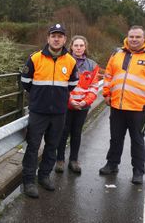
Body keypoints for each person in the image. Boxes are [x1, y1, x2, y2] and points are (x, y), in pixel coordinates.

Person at [100, 25, 145, 184]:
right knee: (115, 138)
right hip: (117, 106)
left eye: (138, 37)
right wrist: (106, 93)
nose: (134, 39)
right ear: (127, 37)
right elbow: (108, 76)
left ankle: (138, 171)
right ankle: (112, 164)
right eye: (131, 36)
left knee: (137, 140)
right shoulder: (117, 54)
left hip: (140, 108)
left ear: (144, 38)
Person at [20, 24, 78, 198]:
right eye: (54, 35)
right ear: (48, 38)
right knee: (33, 146)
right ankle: (29, 181)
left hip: (59, 112)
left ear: (65, 39)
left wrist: (57, 98)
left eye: (60, 36)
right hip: (39, 111)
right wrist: (40, 97)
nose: (56, 38)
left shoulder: (70, 61)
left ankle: (44, 176)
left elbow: (72, 84)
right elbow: (25, 81)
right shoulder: (35, 58)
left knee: (52, 146)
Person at [55, 35, 99, 174]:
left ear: (85, 47)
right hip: (66, 105)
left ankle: (73, 160)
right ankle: (60, 160)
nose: (79, 48)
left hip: (82, 106)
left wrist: (85, 102)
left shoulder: (92, 65)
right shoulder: (64, 61)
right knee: (63, 132)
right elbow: (61, 85)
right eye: (76, 45)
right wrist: (70, 101)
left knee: (77, 133)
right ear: (71, 47)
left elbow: (93, 87)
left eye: (81, 45)